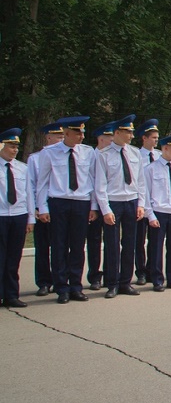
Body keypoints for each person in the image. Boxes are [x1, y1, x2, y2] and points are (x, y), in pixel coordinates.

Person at [35, 115, 96, 304]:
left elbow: (94, 180)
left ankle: (75, 286)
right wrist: (42, 207)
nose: (82, 137)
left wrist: (93, 206)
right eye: (78, 133)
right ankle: (61, 288)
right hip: (58, 202)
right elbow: (42, 182)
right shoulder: (50, 153)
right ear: (67, 133)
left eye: (83, 132)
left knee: (77, 246)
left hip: (80, 202)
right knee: (59, 245)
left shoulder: (88, 152)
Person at [92, 115, 146, 298]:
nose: (131, 135)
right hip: (113, 202)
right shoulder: (103, 155)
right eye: (128, 132)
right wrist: (105, 210)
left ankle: (125, 282)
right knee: (112, 244)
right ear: (117, 133)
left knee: (130, 243)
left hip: (131, 201)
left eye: (132, 132)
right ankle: (112, 283)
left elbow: (141, 181)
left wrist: (141, 204)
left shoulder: (135, 153)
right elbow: (100, 186)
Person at [143, 133, 171, 291]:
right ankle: (157, 279)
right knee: (156, 247)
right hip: (159, 212)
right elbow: (146, 194)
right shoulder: (151, 169)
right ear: (165, 148)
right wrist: (150, 215)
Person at [28, 122, 63, 297]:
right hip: (42, 207)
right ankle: (43, 282)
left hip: (59, 207)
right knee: (43, 247)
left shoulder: (63, 156)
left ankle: (59, 280)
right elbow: (33, 185)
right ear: (48, 137)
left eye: (63, 137)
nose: (61, 140)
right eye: (58, 136)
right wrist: (36, 207)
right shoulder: (35, 158)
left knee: (60, 246)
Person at [0, 128, 33, 307]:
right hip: (1, 215)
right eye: (11, 146)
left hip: (18, 216)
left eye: (16, 147)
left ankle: (12, 294)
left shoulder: (22, 168)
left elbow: (28, 194)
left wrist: (30, 219)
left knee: (14, 257)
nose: (15, 150)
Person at [86, 121, 115, 291]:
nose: (112, 142)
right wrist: (94, 206)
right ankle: (95, 276)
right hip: (95, 206)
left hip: (112, 205)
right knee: (94, 241)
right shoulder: (91, 156)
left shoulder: (112, 155)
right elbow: (91, 183)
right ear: (100, 139)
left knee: (111, 241)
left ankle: (111, 275)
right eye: (109, 139)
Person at [134, 118, 161, 285]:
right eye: (153, 137)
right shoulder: (136, 155)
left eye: (157, 138)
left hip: (157, 204)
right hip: (141, 204)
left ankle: (153, 269)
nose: (156, 140)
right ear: (144, 138)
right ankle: (141, 271)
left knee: (156, 240)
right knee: (139, 240)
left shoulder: (159, 156)